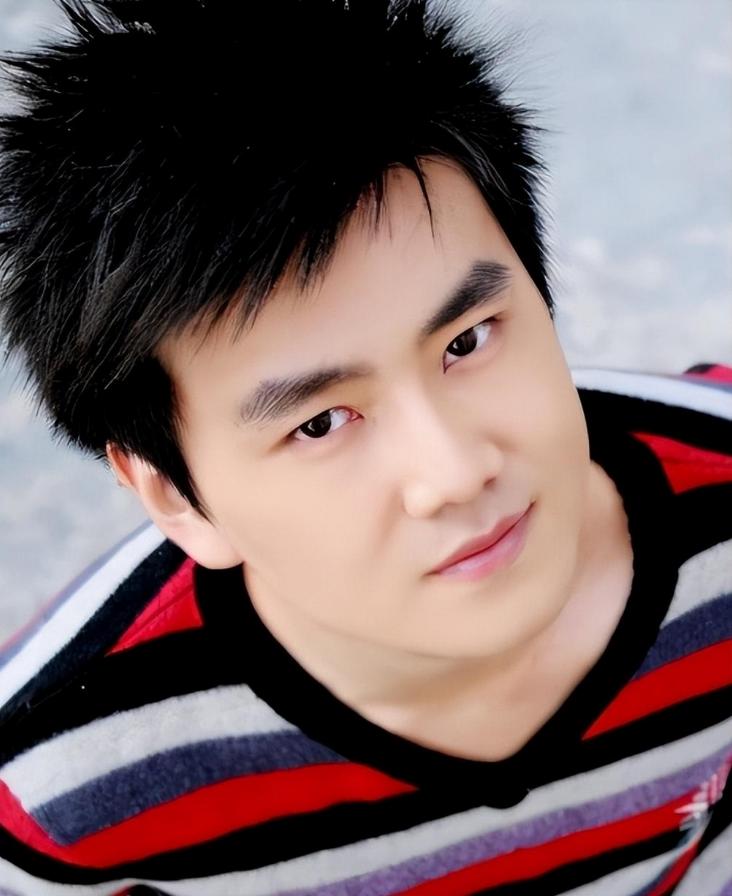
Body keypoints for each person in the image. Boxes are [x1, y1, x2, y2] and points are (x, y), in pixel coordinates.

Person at [0, 0, 730, 893]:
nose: (455, 472)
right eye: (318, 423)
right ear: (176, 497)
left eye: (467, 341)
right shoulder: (62, 778)